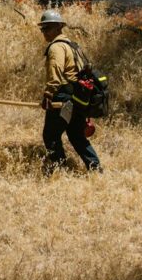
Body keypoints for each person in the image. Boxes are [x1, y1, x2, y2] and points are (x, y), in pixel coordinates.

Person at [38, 10, 102, 172]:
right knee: (76, 135)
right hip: (78, 98)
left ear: (59, 27)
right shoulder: (73, 45)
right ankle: (96, 169)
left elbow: (56, 72)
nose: (44, 32)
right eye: (43, 28)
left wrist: (49, 94)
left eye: (48, 28)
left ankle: (59, 169)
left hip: (62, 97)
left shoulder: (56, 47)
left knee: (51, 135)